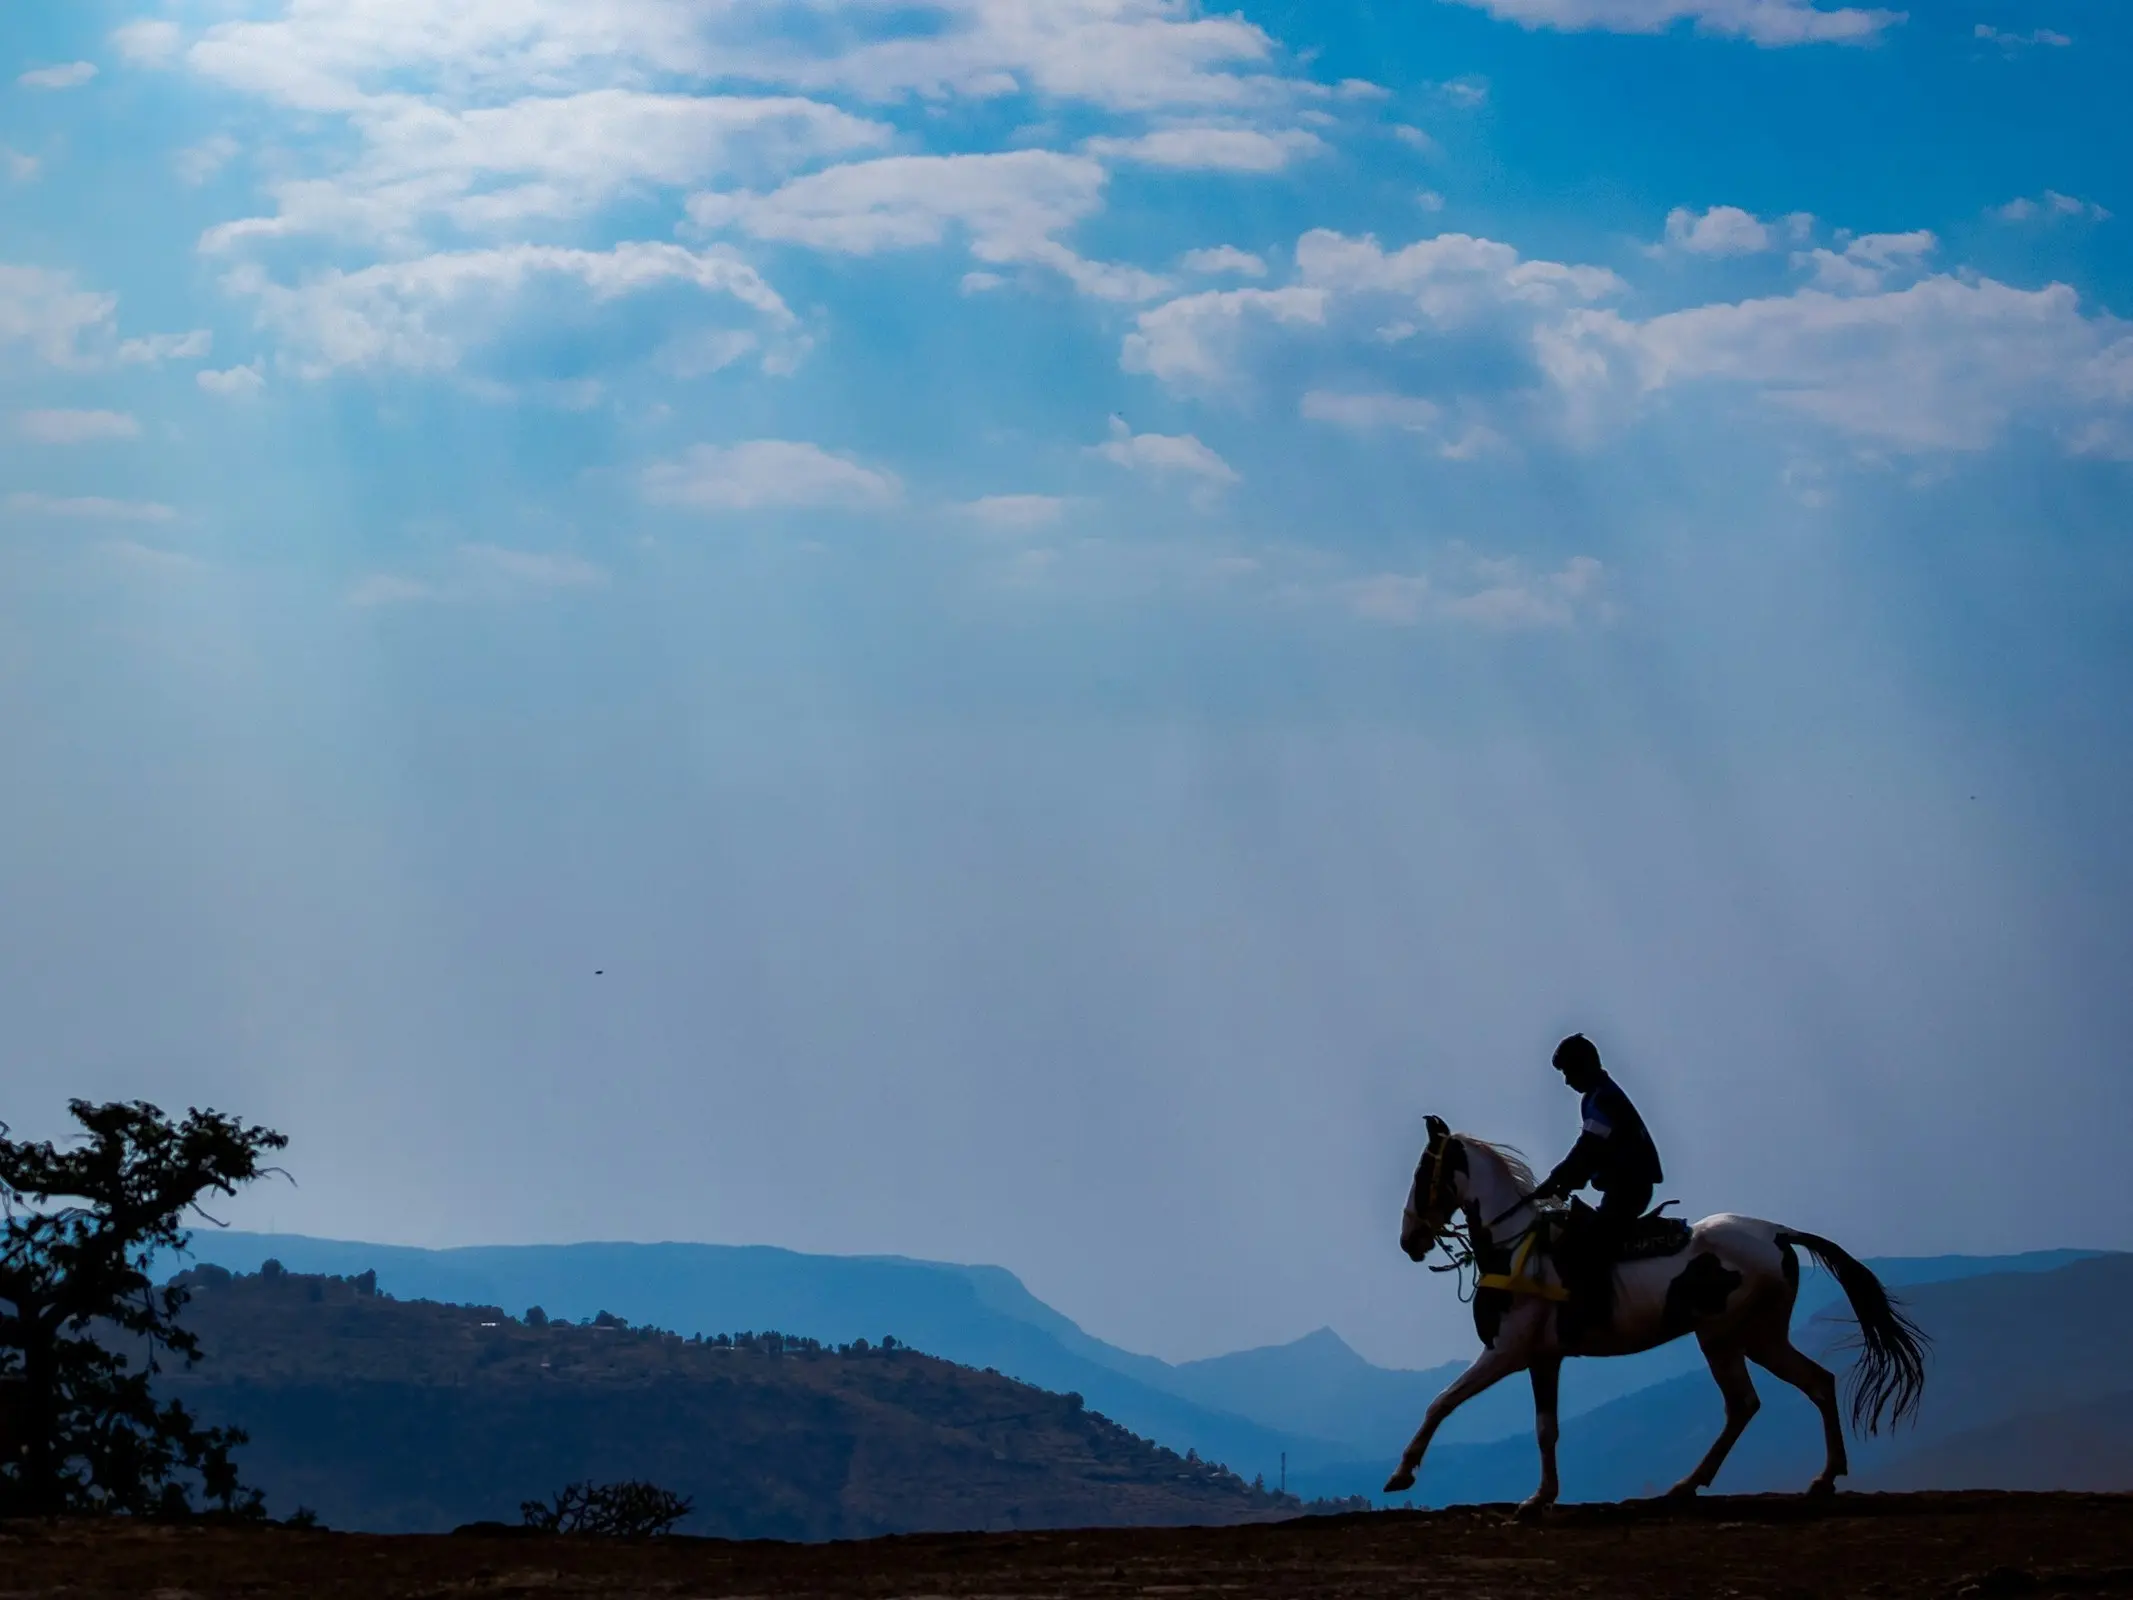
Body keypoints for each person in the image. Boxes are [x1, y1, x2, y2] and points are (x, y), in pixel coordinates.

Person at [1529, 1033, 1664, 1339]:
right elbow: (1593, 1153)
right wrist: (1565, 1183)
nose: (1566, 1082)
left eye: (1567, 1073)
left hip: (1629, 1187)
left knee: (1589, 1245)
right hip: (1621, 1186)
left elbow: (1587, 1147)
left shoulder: (1603, 1098)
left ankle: (1599, 1314)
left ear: (1583, 1067)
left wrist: (1555, 1180)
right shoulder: (1596, 1097)